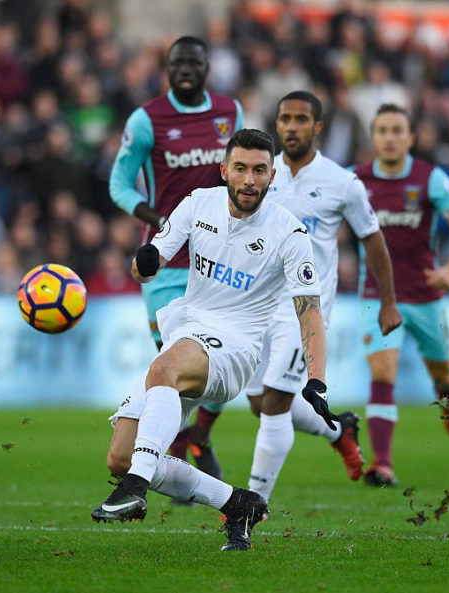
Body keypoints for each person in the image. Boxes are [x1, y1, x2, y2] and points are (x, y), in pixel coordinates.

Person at [92, 129, 335, 552]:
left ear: (271, 175)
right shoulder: (197, 204)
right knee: (120, 456)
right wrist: (143, 263)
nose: (249, 180)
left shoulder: (289, 233)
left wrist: (316, 378)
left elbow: (309, 309)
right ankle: (238, 503)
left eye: (259, 170)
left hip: (237, 348)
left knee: (162, 370)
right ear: (224, 170)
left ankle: (134, 487)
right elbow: (145, 267)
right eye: (240, 169)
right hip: (188, 331)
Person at [245, 91, 403, 502]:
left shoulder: (342, 182)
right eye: (284, 119)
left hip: (305, 308)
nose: (291, 127)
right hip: (256, 304)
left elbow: (373, 240)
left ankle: (250, 506)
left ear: (317, 127)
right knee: (261, 404)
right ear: (276, 124)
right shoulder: (260, 173)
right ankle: (338, 429)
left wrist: (387, 301)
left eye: (301, 120)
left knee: (278, 400)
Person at [109, 35, 243, 481]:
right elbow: (120, 186)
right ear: (166, 68)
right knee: (174, 363)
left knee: (221, 365)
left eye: (194, 62)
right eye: (176, 63)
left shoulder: (230, 113)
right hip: (166, 264)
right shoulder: (146, 120)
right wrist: (163, 220)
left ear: (208, 67)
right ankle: (156, 459)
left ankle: (196, 437)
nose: (185, 69)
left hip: (220, 258)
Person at [355, 103, 449, 487]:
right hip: (376, 293)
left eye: (397, 130)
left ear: (411, 138)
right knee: (383, 370)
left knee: (440, 370)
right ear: (373, 138)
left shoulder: (430, 179)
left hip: (425, 294)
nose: (389, 137)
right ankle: (383, 462)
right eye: (382, 130)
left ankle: (446, 392)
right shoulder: (354, 181)